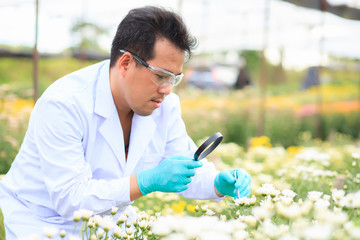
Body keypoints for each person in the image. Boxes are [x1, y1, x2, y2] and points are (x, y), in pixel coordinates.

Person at [0, 6, 251, 239]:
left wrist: (217, 184)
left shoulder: (165, 106)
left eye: (174, 78)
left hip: (109, 218)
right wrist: (146, 181)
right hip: (43, 222)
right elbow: (70, 199)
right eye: (160, 76)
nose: (166, 89)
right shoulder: (64, 104)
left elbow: (185, 164)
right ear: (126, 63)